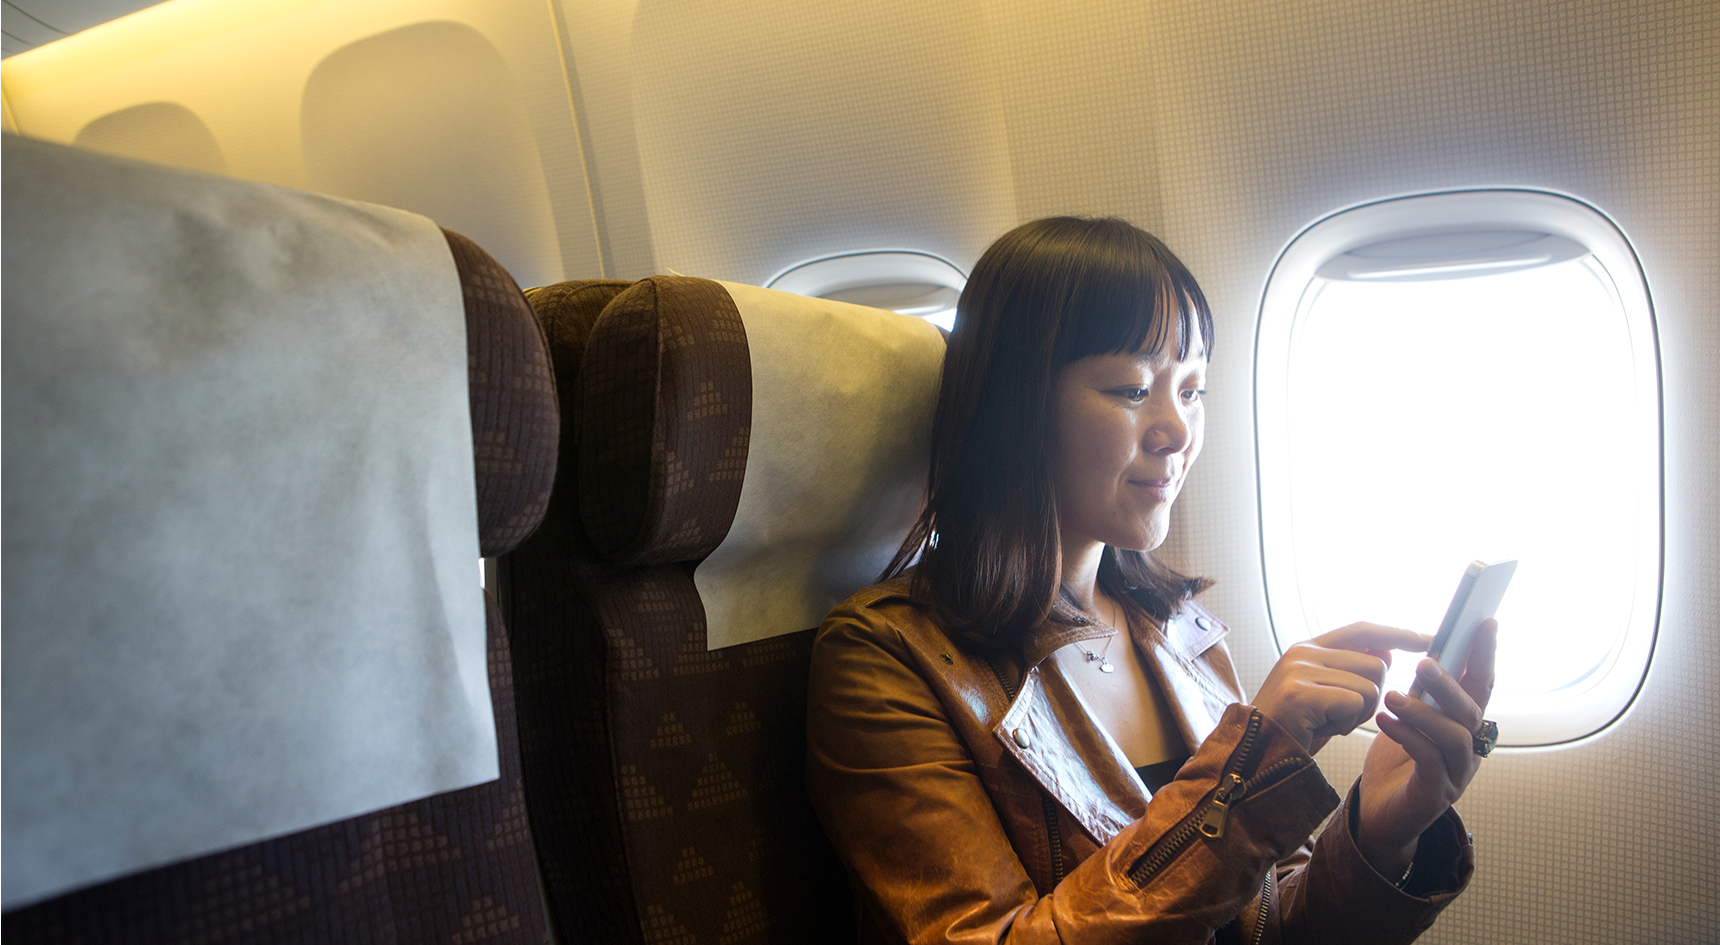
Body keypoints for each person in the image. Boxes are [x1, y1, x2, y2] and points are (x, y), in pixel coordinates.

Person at [805, 217, 1494, 944]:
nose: (1177, 429)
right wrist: (1257, 761)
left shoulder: (1177, 631)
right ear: (1017, 405)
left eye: (1192, 389)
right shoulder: (886, 660)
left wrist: (1382, 832)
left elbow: (1266, 929)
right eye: (1132, 388)